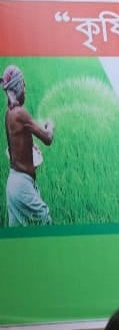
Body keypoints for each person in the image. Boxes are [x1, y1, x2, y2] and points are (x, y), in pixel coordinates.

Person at [3, 65, 53, 226]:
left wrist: (30, 147)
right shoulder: (20, 113)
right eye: (23, 85)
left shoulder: (9, 114)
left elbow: (14, 148)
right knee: (45, 220)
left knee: (16, 234)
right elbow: (48, 138)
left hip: (13, 183)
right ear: (18, 86)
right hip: (22, 184)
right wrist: (50, 126)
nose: (25, 89)